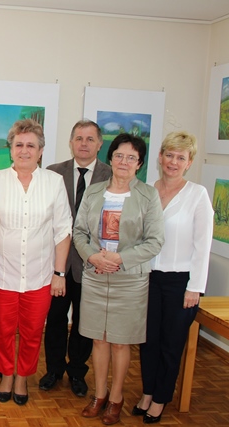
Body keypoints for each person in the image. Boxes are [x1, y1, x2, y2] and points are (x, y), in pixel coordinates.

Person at [0, 118, 72, 406]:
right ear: (10, 149)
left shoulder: (53, 182)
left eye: (31, 145)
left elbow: (63, 230)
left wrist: (59, 273)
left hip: (40, 276)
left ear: (40, 151)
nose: (24, 150)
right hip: (3, 274)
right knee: (4, 331)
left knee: (31, 332)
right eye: (19, 145)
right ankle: (6, 374)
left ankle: (22, 377)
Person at [74, 133, 164, 425]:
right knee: (99, 340)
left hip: (129, 279)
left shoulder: (148, 195)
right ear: (110, 158)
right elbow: (79, 232)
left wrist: (119, 259)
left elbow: (155, 241)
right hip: (96, 275)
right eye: (119, 155)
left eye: (131, 157)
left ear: (139, 164)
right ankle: (99, 395)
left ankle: (116, 398)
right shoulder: (94, 192)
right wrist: (93, 256)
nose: (124, 161)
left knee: (120, 343)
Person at [133, 131, 213, 424]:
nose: (173, 162)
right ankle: (147, 392)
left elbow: (203, 246)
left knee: (171, 344)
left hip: (181, 283)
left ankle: (161, 398)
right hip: (148, 279)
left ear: (189, 162)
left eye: (181, 157)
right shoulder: (146, 191)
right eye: (169, 155)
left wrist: (195, 288)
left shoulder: (197, 195)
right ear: (160, 157)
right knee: (148, 341)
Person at [40, 120, 112, 397]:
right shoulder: (53, 172)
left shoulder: (110, 175)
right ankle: (54, 370)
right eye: (79, 138)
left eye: (90, 139)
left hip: (92, 265)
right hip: (57, 263)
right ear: (71, 142)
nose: (84, 143)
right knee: (56, 319)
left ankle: (78, 372)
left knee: (85, 321)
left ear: (99, 144)